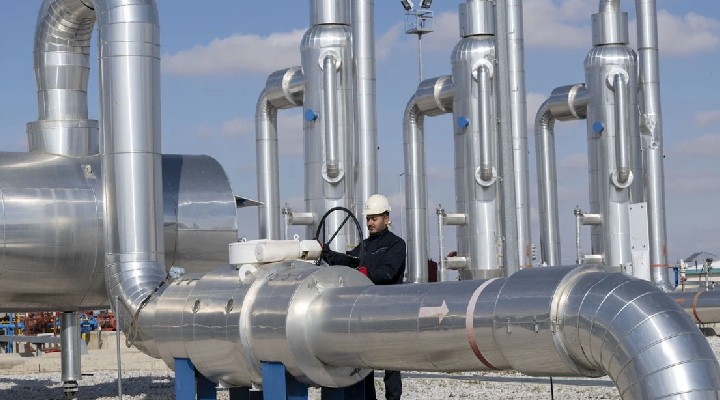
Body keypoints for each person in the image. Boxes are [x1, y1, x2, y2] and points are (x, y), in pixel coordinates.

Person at [320, 194, 406, 400]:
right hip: (365, 312)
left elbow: (388, 273)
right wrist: (326, 253)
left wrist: (366, 272)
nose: (369, 223)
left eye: (374, 218)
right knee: (364, 363)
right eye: (368, 219)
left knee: (390, 363)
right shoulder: (365, 246)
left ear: (386, 218)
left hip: (388, 310)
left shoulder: (396, 244)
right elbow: (349, 262)